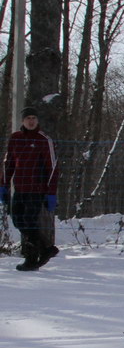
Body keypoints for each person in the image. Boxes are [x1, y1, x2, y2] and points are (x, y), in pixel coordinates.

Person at [2, 107, 59, 271]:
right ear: (23, 121)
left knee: (29, 220)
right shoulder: (15, 138)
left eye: (34, 118)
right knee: (18, 220)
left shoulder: (44, 140)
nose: (31, 121)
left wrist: (51, 193)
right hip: (19, 188)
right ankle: (46, 248)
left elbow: (53, 168)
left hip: (37, 189)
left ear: (37, 120)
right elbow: (9, 164)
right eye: (28, 118)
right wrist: (3, 186)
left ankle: (31, 257)